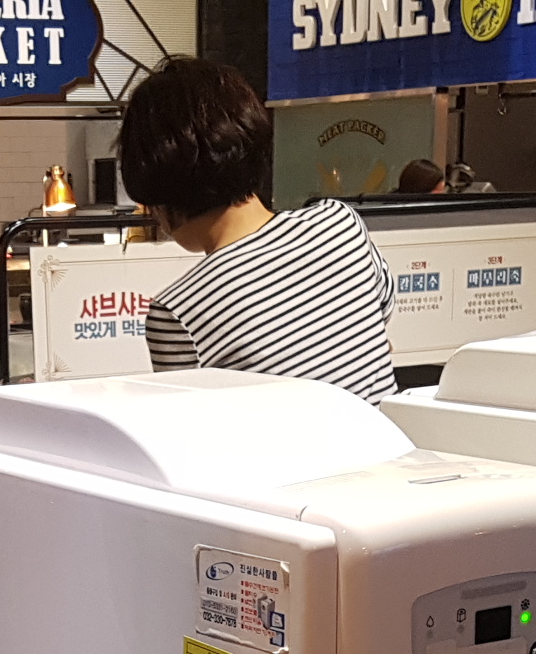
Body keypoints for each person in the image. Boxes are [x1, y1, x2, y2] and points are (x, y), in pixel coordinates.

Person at [121, 57, 397, 402]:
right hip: (389, 434)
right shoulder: (341, 224)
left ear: (157, 185)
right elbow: (379, 323)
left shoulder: (179, 310)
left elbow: (189, 422)